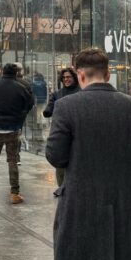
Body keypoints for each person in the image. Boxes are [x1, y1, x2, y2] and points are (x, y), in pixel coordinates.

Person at [47, 47, 131, 260]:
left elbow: (56, 156)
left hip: (81, 207)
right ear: (108, 75)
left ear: (80, 75)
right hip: (127, 207)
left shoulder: (66, 106)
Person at [0, 62, 35, 205]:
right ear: (16, 73)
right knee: (12, 161)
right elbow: (30, 103)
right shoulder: (21, 88)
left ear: (3, 72)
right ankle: (14, 193)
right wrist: (20, 116)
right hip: (13, 128)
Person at [43, 68, 80, 196]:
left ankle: (73, 187)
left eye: (69, 77)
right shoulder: (58, 94)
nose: (66, 80)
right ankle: (62, 187)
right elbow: (49, 110)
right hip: (61, 133)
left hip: (77, 132)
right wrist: (48, 110)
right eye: (64, 78)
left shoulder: (81, 92)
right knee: (60, 162)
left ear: (74, 77)